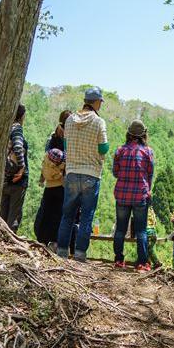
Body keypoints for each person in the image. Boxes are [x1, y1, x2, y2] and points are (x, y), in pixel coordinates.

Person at [56, 87, 109, 262]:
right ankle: (79, 255)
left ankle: (61, 252)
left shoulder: (70, 120)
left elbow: (65, 146)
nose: (101, 104)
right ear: (96, 102)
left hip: (71, 172)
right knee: (87, 216)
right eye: (100, 101)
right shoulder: (99, 122)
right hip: (91, 174)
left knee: (67, 215)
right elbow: (103, 148)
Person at [112, 120, 155, 272]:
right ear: (143, 135)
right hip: (140, 196)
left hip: (122, 195)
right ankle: (142, 263)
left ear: (129, 134)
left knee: (120, 229)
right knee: (141, 230)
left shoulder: (120, 151)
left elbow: (115, 173)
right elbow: (150, 174)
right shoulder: (148, 152)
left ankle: (118, 260)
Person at [0, 105, 28, 233]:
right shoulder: (17, 128)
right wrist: (22, 167)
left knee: (3, 214)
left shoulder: (5, 128)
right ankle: (9, 240)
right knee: (14, 217)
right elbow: (18, 147)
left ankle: (1, 238)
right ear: (21, 116)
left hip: (4, 176)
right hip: (17, 178)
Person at [34, 148, 66, 249]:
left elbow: (43, 173)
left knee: (45, 214)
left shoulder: (46, 161)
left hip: (48, 189)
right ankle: (54, 240)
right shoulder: (62, 164)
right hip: (60, 188)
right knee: (57, 216)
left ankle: (42, 239)